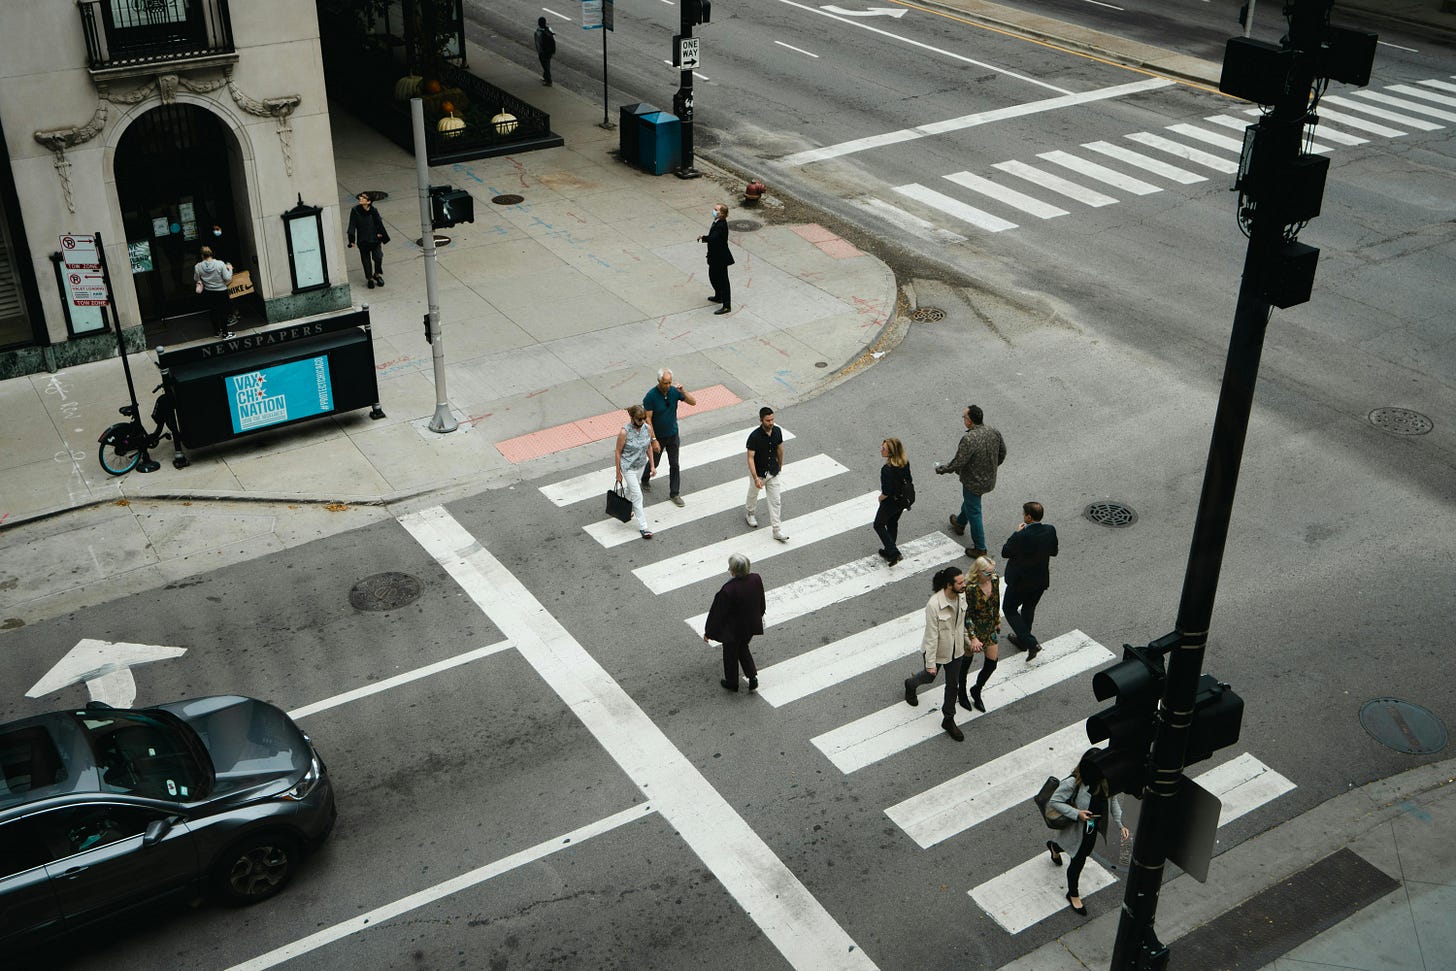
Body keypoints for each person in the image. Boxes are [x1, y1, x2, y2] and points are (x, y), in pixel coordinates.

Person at [1046, 748, 1128, 916]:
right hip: (1076, 828)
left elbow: (1113, 803)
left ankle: (1054, 847)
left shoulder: (1106, 782)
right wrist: (1077, 814)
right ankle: (1073, 894)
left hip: (1091, 828)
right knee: (1077, 860)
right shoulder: (1073, 783)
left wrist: (1121, 824)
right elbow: (1055, 801)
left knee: (1077, 852)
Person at [904, 565, 968, 741]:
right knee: (930, 676)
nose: (964, 585)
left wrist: (969, 641)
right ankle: (911, 684)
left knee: (952, 685)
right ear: (949, 585)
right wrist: (931, 664)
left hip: (956, 651)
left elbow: (962, 623)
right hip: (938, 651)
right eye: (960, 582)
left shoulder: (962, 596)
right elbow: (932, 636)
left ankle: (948, 719)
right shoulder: (934, 605)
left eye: (964, 581)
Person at [936, 404, 1006, 559]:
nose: (963, 419)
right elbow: (1002, 453)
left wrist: (942, 469)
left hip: (973, 481)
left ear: (970, 421)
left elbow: (958, 462)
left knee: (975, 512)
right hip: (989, 479)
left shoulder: (969, 438)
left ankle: (980, 548)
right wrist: (991, 467)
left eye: (964, 417)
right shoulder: (994, 431)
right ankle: (960, 523)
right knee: (970, 503)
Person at [1001, 501, 1059, 662]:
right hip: (1040, 581)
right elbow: (1054, 551)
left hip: (1020, 582)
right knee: (1028, 608)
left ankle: (1030, 642)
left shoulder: (1022, 535)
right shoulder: (1050, 530)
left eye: (1023, 513)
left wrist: (1016, 533)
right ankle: (1022, 640)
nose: (1022, 515)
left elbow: (1005, 552)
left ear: (1028, 516)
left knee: (1009, 608)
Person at [703, 553, 767, 693]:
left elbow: (717, 614)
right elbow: (761, 599)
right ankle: (752, 677)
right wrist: (760, 614)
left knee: (730, 655)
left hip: (733, 630)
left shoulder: (727, 590)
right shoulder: (756, 579)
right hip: (750, 626)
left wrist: (709, 633)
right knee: (743, 648)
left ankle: (732, 682)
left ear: (733, 571)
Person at [642, 368, 696, 506]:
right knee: (656, 462)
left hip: (673, 434)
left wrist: (682, 391)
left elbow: (693, 402)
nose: (667, 386)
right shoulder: (650, 396)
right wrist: (653, 440)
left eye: (669, 382)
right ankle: (645, 478)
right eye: (665, 383)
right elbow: (648, 419)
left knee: (675, 464)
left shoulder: (674, 391)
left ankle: (675, 493)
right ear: (659, 381)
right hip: (658, 437)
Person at [958, 555, 1002, 713]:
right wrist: (973, 637)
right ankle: (961, 691)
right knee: (965, 663)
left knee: (992, 663)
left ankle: (976, 689)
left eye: (992, 572)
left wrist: (997, 619)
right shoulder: (970, 589)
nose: (991, 575)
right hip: (973, 629)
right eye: (988, 573)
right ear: (978, 572)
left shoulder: (995, 580)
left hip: (988, 626)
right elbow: (967, 615)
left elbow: (996, 601)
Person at [744, 406, 788, 542]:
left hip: (773, 472)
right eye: (768, 420)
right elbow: (750, 458)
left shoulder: (777, 431)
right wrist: (755, 477)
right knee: (753, 494)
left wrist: (780, 465)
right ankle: (750, 513)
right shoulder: (754, 436)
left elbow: (780, 449)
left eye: (772, 419)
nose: (771, 422)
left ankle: (776, 530)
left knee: (776, 501)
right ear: (761, 420)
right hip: (759, 473)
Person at [614, 404, 657, 540]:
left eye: (644, 418)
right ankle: (644, 527)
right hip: (628, 468)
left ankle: (623, 509)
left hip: (640, 465)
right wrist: (618, 473)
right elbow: (618, 452)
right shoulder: (624, 432)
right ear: (632, 417)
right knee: (637, 495)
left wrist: (652, 466)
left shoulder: (647, 429)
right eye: (639, 419)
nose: (642, 421)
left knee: (631, 489)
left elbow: (649, 446)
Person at [874, 437, 912, 566]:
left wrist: (880, 498)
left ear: (891, 453)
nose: (881, 450)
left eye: (884, 449)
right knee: (892, 523)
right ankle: (889, 551)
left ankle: (893, 552)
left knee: (878, 525)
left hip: (890, 502)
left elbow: (886, 491)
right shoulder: (905, 463)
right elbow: (909, 479)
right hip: (902, 500)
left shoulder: (886, 469)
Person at [346, 192, 389, 289]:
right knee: (366, 261)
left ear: (369, 202)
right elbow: (352, 225)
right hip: (363, 241)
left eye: (363, 197)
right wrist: (351, 240)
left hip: (375, 240)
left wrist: (381, 234)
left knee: (378, 257)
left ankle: (377, 275)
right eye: (361, 196)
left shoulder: (374, 211)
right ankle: (369, 278)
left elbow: (379, 223)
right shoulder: (355, 211)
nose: (360, 198)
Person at [699, 203, 735, 315]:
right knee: (713, 276)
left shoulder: (721, 225)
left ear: (722, 214)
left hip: (720, 258)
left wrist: (703, 238)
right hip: (714, 257)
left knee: (723, 281)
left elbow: (714, 238)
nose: (713, 211)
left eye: (716, 209)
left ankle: (726, 306)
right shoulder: (717, 221)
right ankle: (718, 296)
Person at [193, 245, 234, 339]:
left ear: (202, 256)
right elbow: (227, 278)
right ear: (211, 253)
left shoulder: (198, 266)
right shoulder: (220, 264)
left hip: (209, 292)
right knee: (223, 312)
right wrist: (230, 269)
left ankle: (216, 332)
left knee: (213, 312)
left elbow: (196, 278)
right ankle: (225, 333)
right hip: (221, 291)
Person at [534, 17, 556, 86]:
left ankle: (548, 81)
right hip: (550, 51)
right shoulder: (549, 29)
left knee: (545, 66)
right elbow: (554, 39)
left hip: (543, 52)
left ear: (539, 23)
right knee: (547, 64)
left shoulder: (538, 32)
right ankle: (545, 77)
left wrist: (540, 52)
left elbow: (538, 44)